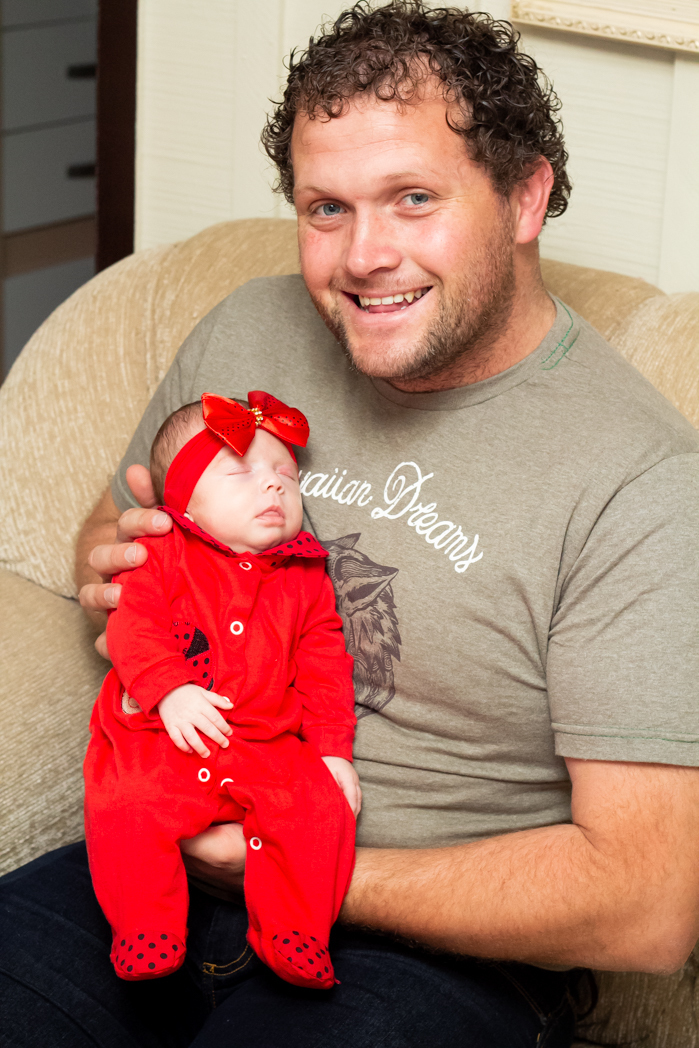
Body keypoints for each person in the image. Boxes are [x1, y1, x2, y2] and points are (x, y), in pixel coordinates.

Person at [2, 3, 699, 1046]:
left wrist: (294, 860)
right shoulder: (251, 323)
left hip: (431, 955)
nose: (363, 255)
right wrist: (111, 572)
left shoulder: (637, 480)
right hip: (158, 854)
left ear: (525, 196)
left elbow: (647, 906)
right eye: (325, 207)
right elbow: (115, 524)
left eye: (412, 199)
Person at [84, 391, 358, 988]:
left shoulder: (306, 577)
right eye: (241, 473)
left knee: (319, 813)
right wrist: (168, 689)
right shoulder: (158, 553)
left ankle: (298, 932)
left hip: (265, 742)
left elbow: (324, 664)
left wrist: (333, 751)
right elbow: (133, 623)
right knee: (126, 804)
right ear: (184, 501)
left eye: (286, 474)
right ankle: (143, 926)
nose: (274, 487)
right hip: (161, 735)